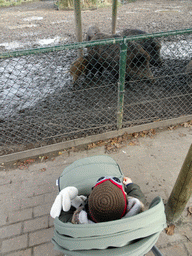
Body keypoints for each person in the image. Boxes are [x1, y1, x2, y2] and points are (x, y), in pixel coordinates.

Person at [50, 175, 146, 224]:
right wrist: (130, 184)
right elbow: (138, 195)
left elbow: (63, 218)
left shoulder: (76, 224)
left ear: (87, 208)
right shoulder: (137, 210)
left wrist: (69, 199)